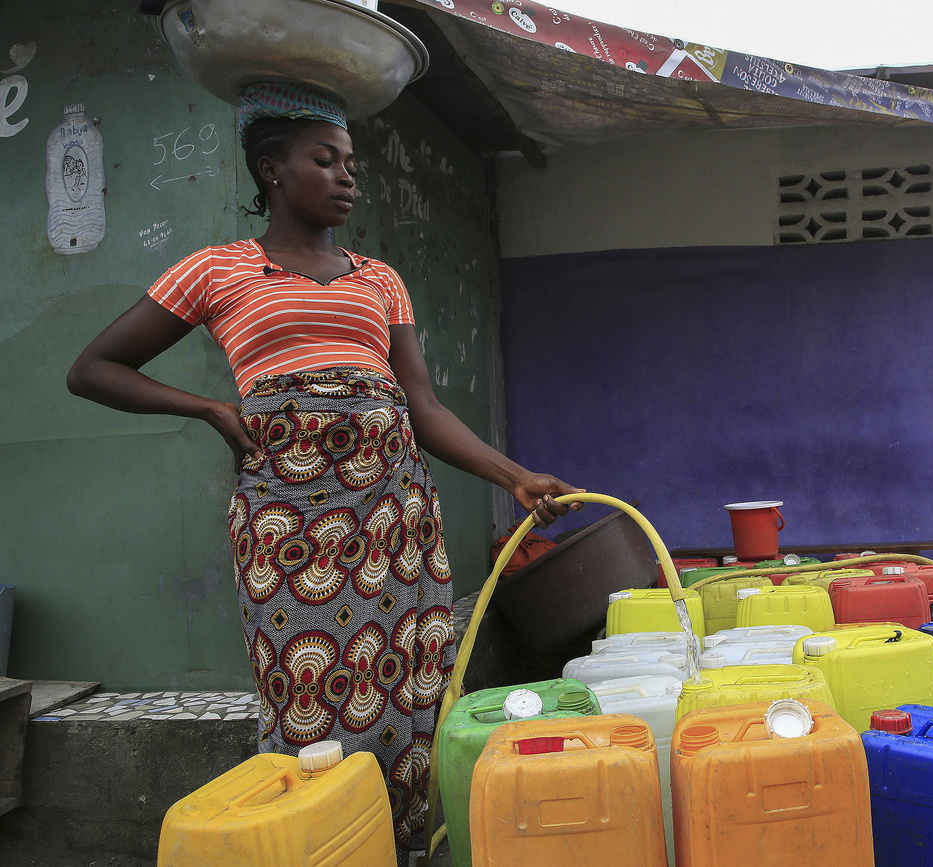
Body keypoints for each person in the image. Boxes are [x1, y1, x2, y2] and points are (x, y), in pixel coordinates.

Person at [67, 82, 581, 857]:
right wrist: (207, 407)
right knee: (308, 692)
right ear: (272, 169)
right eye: (325, 159)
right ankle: (320, 841)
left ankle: (401, 843)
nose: (348, 176)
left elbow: (425, 405)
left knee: (411, 684)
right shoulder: (216, 270)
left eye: (350, 162)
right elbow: (95, 367)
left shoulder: (381, 279)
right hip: (290, 519)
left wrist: (512, 475)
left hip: (393, 512)